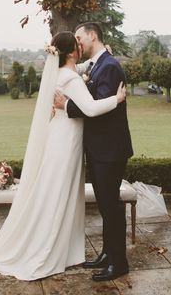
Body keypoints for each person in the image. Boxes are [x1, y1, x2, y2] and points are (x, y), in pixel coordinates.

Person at [0, 31, 126, 280]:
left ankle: (67, 248)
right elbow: (91, 108)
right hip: (67, 140)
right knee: (58, 191)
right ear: (72, 51)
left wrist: (101, 58)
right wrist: (116, 99)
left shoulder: (64, 72)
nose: (80, 45)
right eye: (77, 43)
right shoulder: (70, 78)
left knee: (55, 190)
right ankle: (50, 247)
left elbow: (84, 67)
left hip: (62, 135)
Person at [53, 22, 133, 282]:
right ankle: (107, 254)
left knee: (111, 205)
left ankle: (119, 263)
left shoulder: (108, 66)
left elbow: (97, 108)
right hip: (100, 148)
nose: (78, 42)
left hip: (110, 148)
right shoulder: (98, 64)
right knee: (104, 205)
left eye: (80, 37)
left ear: (92, 36)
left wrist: (66, 106)